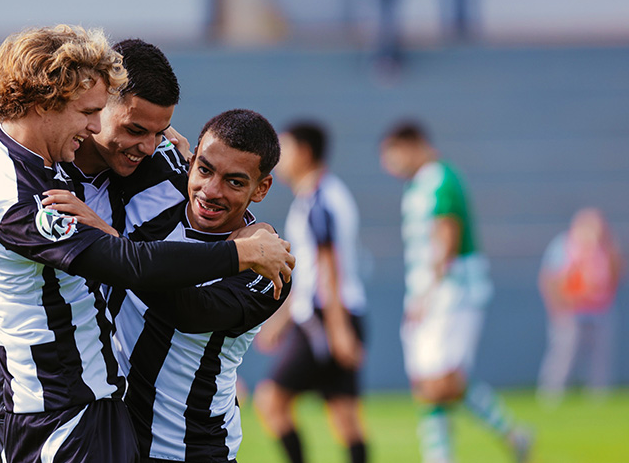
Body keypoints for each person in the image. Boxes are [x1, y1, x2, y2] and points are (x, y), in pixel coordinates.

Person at [0, 25, 293, 463]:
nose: (146, 147)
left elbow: (214, 203)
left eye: (160, 133)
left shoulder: (163, 171)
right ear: (96, 107)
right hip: (49, 400)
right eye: (134, 129)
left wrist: (257, 235)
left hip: (153, 424)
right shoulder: (35, 179)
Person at [52, 108, 289, 462]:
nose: (211, 191)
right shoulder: (155, 188)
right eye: (205, 170)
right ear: (191, 158)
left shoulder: (266, 265)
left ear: (262, 188)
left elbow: (189, 311)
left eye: (235, 182)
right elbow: (113, 126)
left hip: (190, 449)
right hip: (108, 441)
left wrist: (111, 244)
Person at [379, 120, 532, 463]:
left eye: (392, 155)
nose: (389, 166)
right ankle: (508, 435)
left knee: (441, 381)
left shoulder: (441, 180)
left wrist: (425, 294)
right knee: (427, 383)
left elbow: (445, 243)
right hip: (424, 292)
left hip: (453, 292)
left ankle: (495, 438)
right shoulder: (416, 187)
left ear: (410, 145)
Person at [254, 121, 369, 463]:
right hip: (334, 313)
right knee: (345, 415)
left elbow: (328, 265)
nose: (279, 158)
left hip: (325, 317)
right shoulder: (321, 195)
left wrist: (337, 328)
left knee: (270, 400)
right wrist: (280, 322)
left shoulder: (319, 199)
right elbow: (313, 272)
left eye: (284, 149)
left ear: (303, 151)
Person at [537, 207, 623, 405]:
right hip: (570, 312)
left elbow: (615, 274)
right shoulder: (564, 246)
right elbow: (551, 279)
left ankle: (598, 398)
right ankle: (551, 397)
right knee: (563, 357)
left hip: (600, 311)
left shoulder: (606, 248)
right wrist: (558, 307)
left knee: (600, 360)